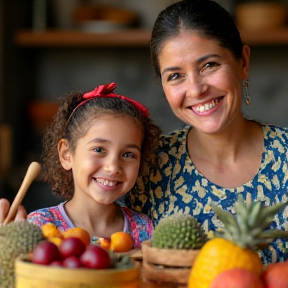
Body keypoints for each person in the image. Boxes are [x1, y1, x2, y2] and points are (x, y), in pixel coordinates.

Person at [1, 0, 288, 263]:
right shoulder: (151, 164)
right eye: (175, 75)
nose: (196, 89)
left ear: (244, 62)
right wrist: (16, 244)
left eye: (210, 65)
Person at [1, 82, 162, 248]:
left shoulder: (146, 230)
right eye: (99, 149)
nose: (113, 167)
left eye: (128, 155)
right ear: (67, 154)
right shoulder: (38, 228)